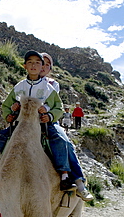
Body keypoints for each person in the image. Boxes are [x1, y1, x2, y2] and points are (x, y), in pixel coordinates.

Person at [2, 50, 76, 192]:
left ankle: (65, 176)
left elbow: (58, 106)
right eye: (30, 62)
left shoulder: (48, 87)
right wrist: (9, 114)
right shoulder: (19, 86)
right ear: (25, 66)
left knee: (60, 140)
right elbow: (6, 105)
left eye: (38, 63)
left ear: (42, 66)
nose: (34, 66)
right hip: (20, 123)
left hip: (43, 124)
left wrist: (49, 115)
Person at [39, 52, 93, 201]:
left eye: (47, 64)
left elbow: (53, 103)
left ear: (50, 69)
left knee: (64, 142)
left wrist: (48, 113)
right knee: (0, 138)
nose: (43, 66)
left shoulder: (52, 84)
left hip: (49, 121)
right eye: (40, 62)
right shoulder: (26, 83)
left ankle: (77, 181)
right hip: (27, 120)